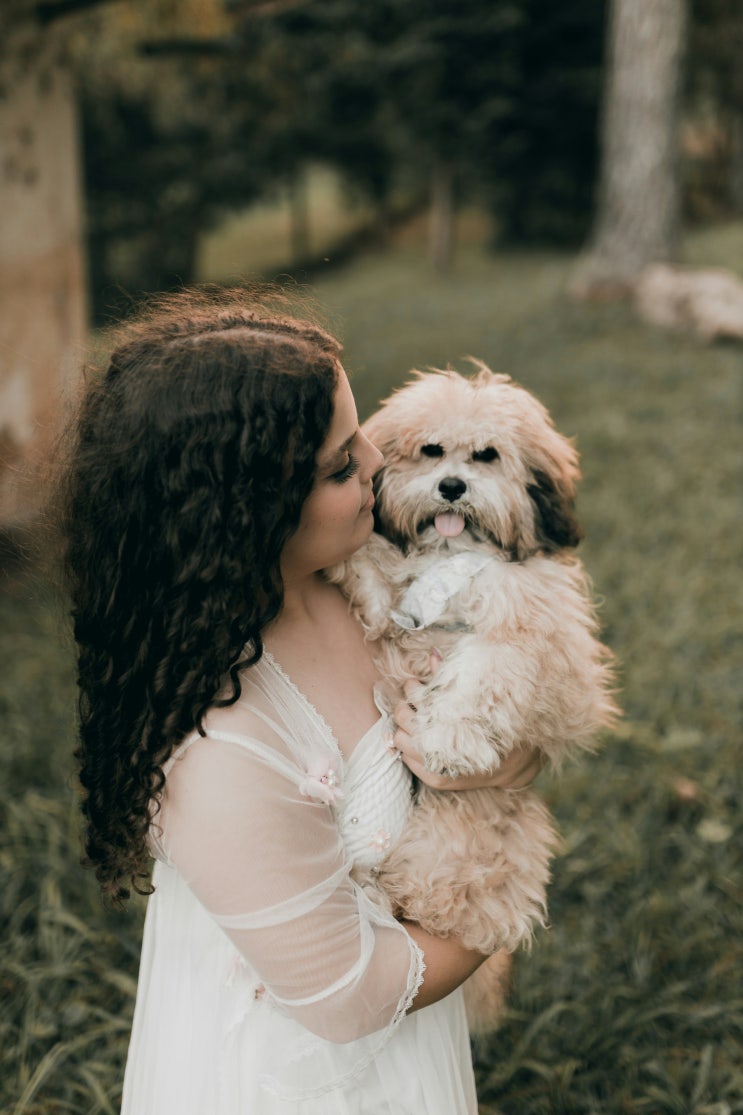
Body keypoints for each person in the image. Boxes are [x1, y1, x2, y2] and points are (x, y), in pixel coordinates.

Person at [57, 287, 541, 1114]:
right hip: (300, 1076)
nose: (378, 461)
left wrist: (508, 759)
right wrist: (500, 903)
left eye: (359, 436)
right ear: (244, 512)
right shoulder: (219, 745)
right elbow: (350, 997)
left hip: (411, 1033)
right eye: (339, 466)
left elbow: (509, 694)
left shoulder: (355, 571)